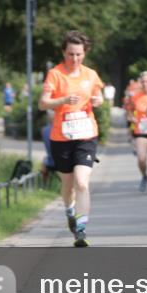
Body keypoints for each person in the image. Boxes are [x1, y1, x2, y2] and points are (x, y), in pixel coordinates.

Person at [39, 30, 105, 247]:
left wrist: (97, 101)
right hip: (62, 137)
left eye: (78, 54)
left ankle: (81, 229)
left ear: (84, 53)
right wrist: (63, 100)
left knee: (82, 182)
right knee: (68, 186)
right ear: (63, 52)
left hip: (86, 135)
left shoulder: (91, 75)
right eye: (70, 54)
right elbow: (43, 103)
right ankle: (70, 210)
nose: (75, 59)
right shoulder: (55, 74)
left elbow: (99, 97)